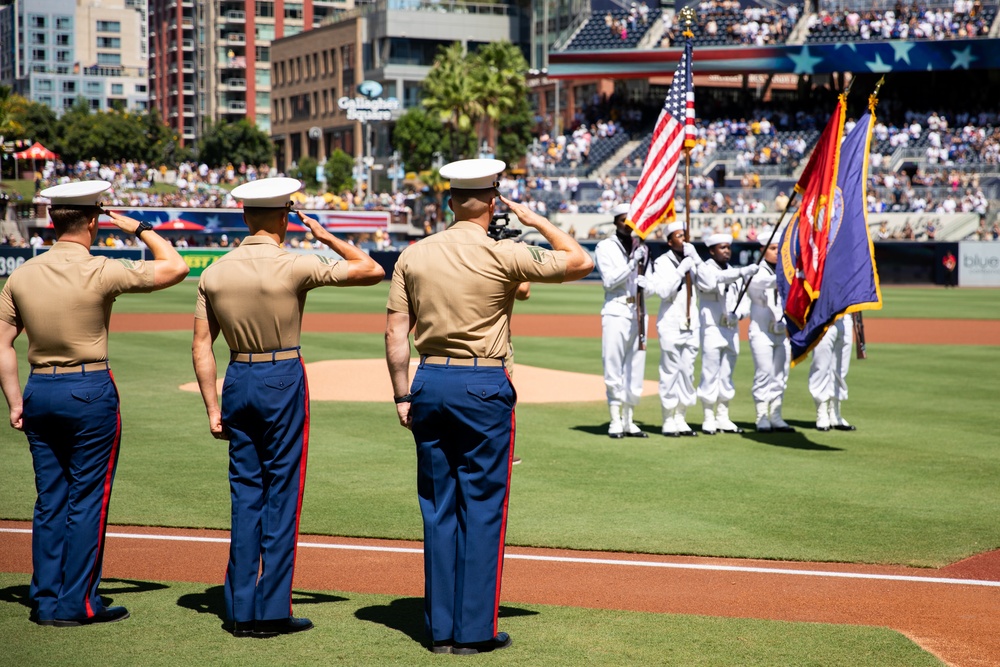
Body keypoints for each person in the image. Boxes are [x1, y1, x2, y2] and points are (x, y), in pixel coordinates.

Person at [384, 159, 592, 655]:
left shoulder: (413, 254)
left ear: (450, 201)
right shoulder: (504, 251)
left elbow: (395, 333)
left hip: (429, 378)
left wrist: (400, 392)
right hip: (482, 383)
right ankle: (474, 631)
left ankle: (439, 631)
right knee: (482, 508)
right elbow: (579, 261)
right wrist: (536, 220)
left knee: (437, 509)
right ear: (494, 202)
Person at [191, 178, 384, 638]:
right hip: (281, 375)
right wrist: (326, 236)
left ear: (244, 217)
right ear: (284, 217)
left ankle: (239, 609)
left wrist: (212, 407)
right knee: (282, 494)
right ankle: (273, 609)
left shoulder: (214, 273)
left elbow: (201, 346)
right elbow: (370, 268)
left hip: (238, 376)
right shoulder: (295, 263)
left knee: (245, 494)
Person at [0, 181, 188, 627]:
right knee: (88, 499)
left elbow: (2, 344)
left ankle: (45, 599)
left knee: (50, 500)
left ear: (51, 221)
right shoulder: (101, 268)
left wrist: (13, 401)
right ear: (94, 221)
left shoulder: (21, 275)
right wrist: (140, 227)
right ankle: (78, 603)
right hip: (88, 389)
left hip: (38, 390)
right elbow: (176, 267)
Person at [595, 202, 649, 438]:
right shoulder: (605, 246)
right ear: (616, 222)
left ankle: (629, 418)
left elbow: (648, 282)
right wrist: (631, 264)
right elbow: (609, 281)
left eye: (631, 220)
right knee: (614, 364)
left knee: (635, 367)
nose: (628, 225)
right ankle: (615, 418)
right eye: (623, 220)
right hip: (616, 310)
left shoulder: (642, 248)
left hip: (638, 310)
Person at [695, 233, 758, 434]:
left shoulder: (735, 272)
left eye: (728, 248)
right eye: (722, 248)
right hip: (712, 328)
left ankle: (723, 415)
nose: (727, 251)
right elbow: (711, 282)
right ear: (712, 251)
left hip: (731, 329)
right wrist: (742, 272)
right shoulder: (704, 269)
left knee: (727, 373)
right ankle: (708, 416)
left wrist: (737, 314)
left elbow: (745, 302)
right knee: (710, 372)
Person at [647, 221, 701, 437]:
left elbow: (707, 284)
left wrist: (694, 260)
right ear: (670, 241)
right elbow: (663, 291)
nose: (684, 238)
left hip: (691, 322)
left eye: (686, 235)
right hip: (671, 323)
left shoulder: (693, 260)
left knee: (688, 372)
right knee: (670, 371)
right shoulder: (662, 262)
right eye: (679, 235)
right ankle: (668, 417)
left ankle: (682, 415)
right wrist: (681, 270)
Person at [746, 240, 794, 432]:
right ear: (762, 250)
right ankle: (761, 416)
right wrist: (789, 277)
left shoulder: (784, 271)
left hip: (781, 331)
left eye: (779, 249)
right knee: (763, 373)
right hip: (761, 331)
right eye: (772, 249)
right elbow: (762, 283)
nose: (777, 253)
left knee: (780, 374)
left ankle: (776, 415)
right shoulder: (756, 271)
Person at [808, 314, 856, 432]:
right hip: (824, 317)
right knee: (821, 366)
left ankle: (835, 414)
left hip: (845, 318)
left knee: (841, 369)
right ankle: (822, 412)